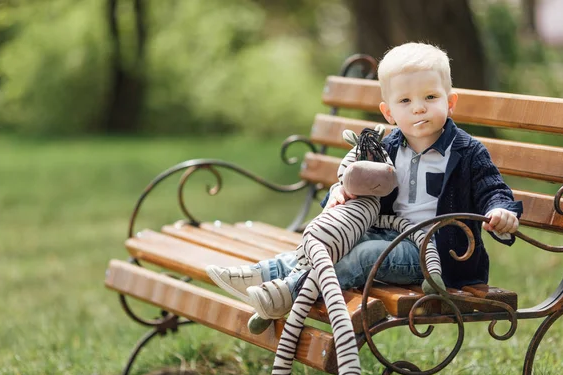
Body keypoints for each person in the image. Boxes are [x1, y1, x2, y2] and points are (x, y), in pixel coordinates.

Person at [206, 42, 522, 334]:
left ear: (450, 102)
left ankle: (289, 292)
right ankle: (266, 272)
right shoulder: (385, 148)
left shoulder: (467, 151)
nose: (418, 108)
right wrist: (341, 194)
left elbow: (492, 189)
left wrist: (501, 211)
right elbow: (353, 181)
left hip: (435, 253)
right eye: (405, 101)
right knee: (333, 245)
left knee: (364, 255)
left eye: (430, 97)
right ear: (388, 112)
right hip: (388, 232)